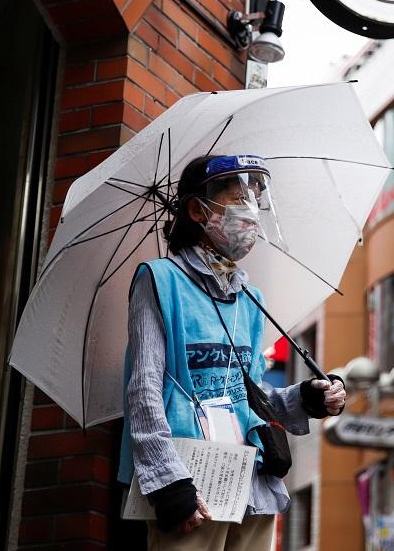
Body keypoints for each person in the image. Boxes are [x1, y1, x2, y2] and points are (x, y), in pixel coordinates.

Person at [118, 154, 347, 550]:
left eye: (255, 198)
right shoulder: (159, 280)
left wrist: (305, 398)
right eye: (238, 197)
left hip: (251, 478)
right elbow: (144, 392)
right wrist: (168, 481)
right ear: (197, 209)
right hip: (190, 482)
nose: (251, 210)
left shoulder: (250, 298)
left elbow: (249, 397)